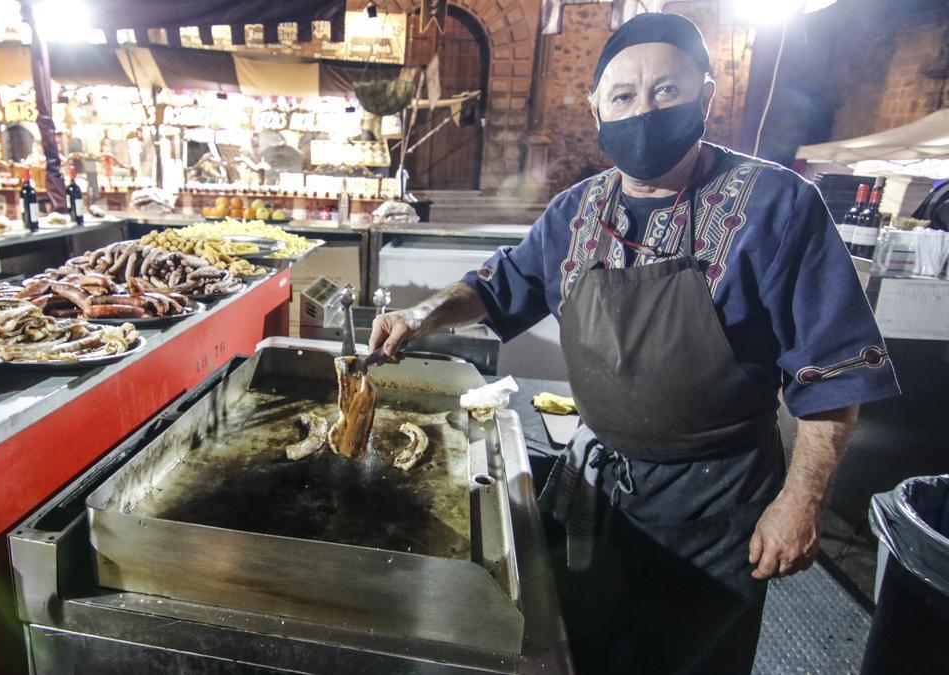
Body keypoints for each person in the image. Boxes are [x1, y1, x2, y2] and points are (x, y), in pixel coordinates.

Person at [369, 13, 900, 675]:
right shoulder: (577, 210)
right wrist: (423, 312)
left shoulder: (778, 206)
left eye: (665, 91)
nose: (643, 110)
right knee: (580, 652)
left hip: (717, 508)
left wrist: (799, 504)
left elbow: (833, 373)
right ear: (597, 109)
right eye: (623, 96)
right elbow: (502, 283)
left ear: (706, 96)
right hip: (601, 491)